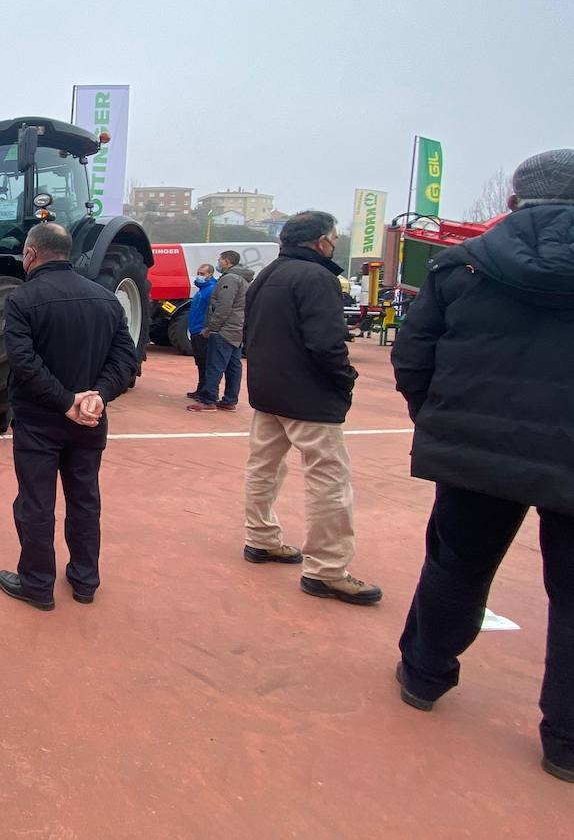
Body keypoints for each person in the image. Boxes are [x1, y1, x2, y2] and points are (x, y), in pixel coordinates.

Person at [392, 149, 574, 784]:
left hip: (473, 449)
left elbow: (414, 355)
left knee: (457, 566)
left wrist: (439, 419)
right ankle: (566, 744)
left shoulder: (461, 264)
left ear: (516, 200)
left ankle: (424, 675)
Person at [0, 223, 139, 610]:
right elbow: (125, 357)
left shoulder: (23, 300)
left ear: (30, 254)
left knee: (36, 504)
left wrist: (64, 401)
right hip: (90, 421)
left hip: (40, 421)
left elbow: (24, 363)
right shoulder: (106, 299)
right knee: (85, 500)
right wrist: (96, 397)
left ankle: (37, 586)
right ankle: (84, 581)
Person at [240, 211, 381, 605]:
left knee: (264, 467)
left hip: (267, 390)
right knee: (329, 479)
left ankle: (261, 538)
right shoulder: (318, 278)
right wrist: (345, 379)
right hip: (308, 395)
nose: (334, 244)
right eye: (333, 238)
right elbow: (326, 343)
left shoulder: (267, 275)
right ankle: (327, 569)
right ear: (321, 241)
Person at [188, 250, 253, 411]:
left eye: (220, 259)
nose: (218, 262)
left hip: (224, 330)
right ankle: (230, 400)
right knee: (233, 366)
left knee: (214, 365)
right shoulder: (243, 279)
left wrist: (212, 327)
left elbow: (223, 306)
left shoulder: (230, 279)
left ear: (227, 261)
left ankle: (208, 399)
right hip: (236, 329)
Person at [184, 263, 217, 400]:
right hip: (195, 329)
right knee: (200, 361)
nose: (199, 276)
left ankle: (206, 391)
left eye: (202, 274)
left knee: (205, 362)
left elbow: (212, 310)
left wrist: (207, 327)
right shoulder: (202, 290)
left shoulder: (211, 289)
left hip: (202, 330)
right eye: (198, 273)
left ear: (210, 274)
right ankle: (200, 388)